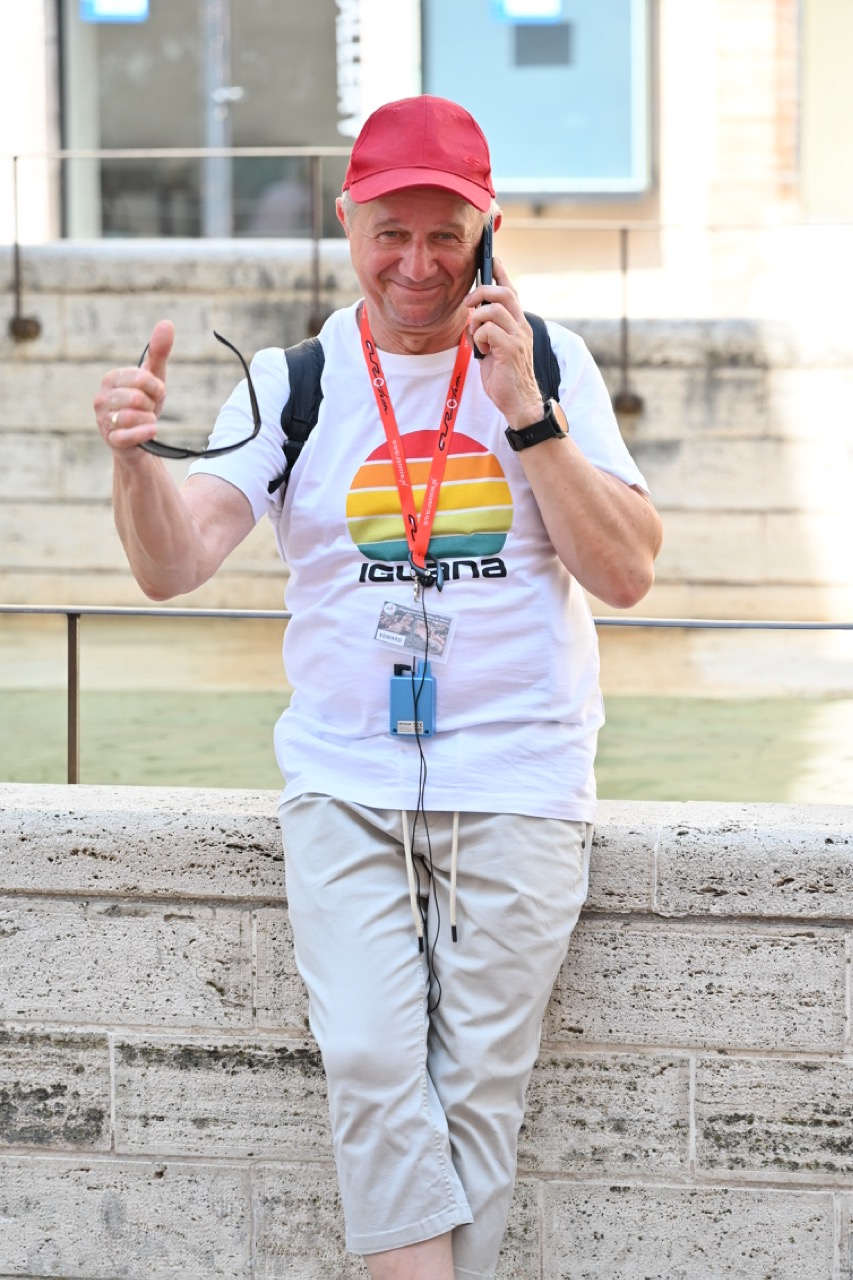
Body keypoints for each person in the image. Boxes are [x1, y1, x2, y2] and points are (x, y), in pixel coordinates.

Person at [93, 95, 662, 1280]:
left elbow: (626, 573)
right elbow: (172, 564)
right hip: (345, 779)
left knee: (480, 1087)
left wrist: (527, 417)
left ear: (488, 233)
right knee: (365, 1056)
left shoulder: (552, 362)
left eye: (446, 234)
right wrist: (134, 466)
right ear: (347, 222)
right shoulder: (291, 382)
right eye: (390, 232)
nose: (417, 263)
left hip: (519, 776)